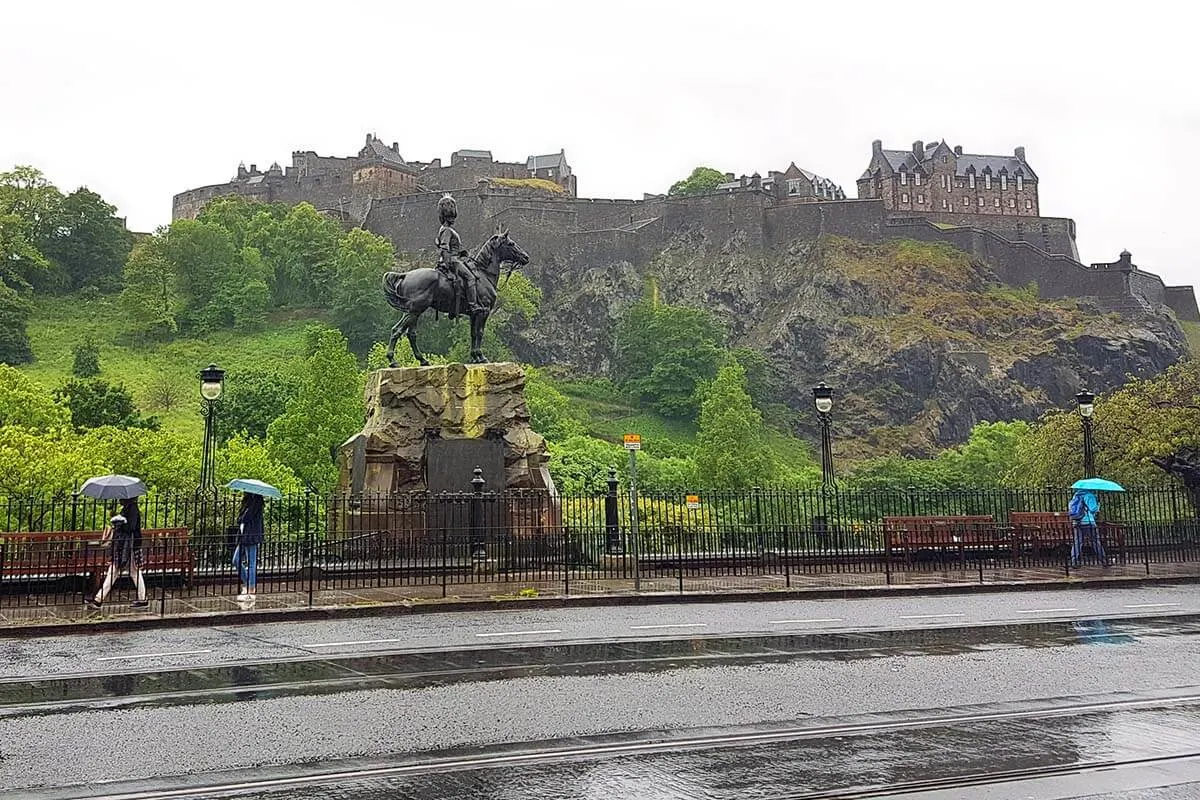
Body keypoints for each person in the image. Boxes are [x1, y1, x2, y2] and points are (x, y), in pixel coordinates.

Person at [87, 497, 148, 610]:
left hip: (129, 547)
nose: (120, 499)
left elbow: (130, 528)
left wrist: (120, 522)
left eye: (122, 498)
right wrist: (116, 517)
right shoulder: (127, 509)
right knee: (117, 572)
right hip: (124, 547)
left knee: (130, 572)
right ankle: (98, 599)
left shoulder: (132, 509)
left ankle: (99, 599)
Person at [435, 194, 482, 317]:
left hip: (454, 258)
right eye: (451, 217)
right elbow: (444, 247)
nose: (453, 219)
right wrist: (448, 263)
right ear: (447, 217)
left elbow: (451, 247)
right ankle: (473, 305)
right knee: (471, 278)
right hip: (452, 261)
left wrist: (462, 252)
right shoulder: (447, 230)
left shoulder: (445, 229)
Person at [233, 493, 265, 603]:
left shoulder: (257, 501)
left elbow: (246, 517)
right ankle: (247, 583)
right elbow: (240, 518)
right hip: (243, 536)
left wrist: (242, 517)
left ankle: (251, 590)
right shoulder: (246, 501)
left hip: (252, 536)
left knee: (251, 563)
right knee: (236, 560)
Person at [1068, 488, 1107, 568]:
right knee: (1095, 541)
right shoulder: (1089, 495)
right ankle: (1103, 560)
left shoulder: (1076, 496)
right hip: (1088, 522)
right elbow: (1093, 509)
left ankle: (1074, 561)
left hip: (1077, 522)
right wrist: (1097, 504)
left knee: (1077, 542)